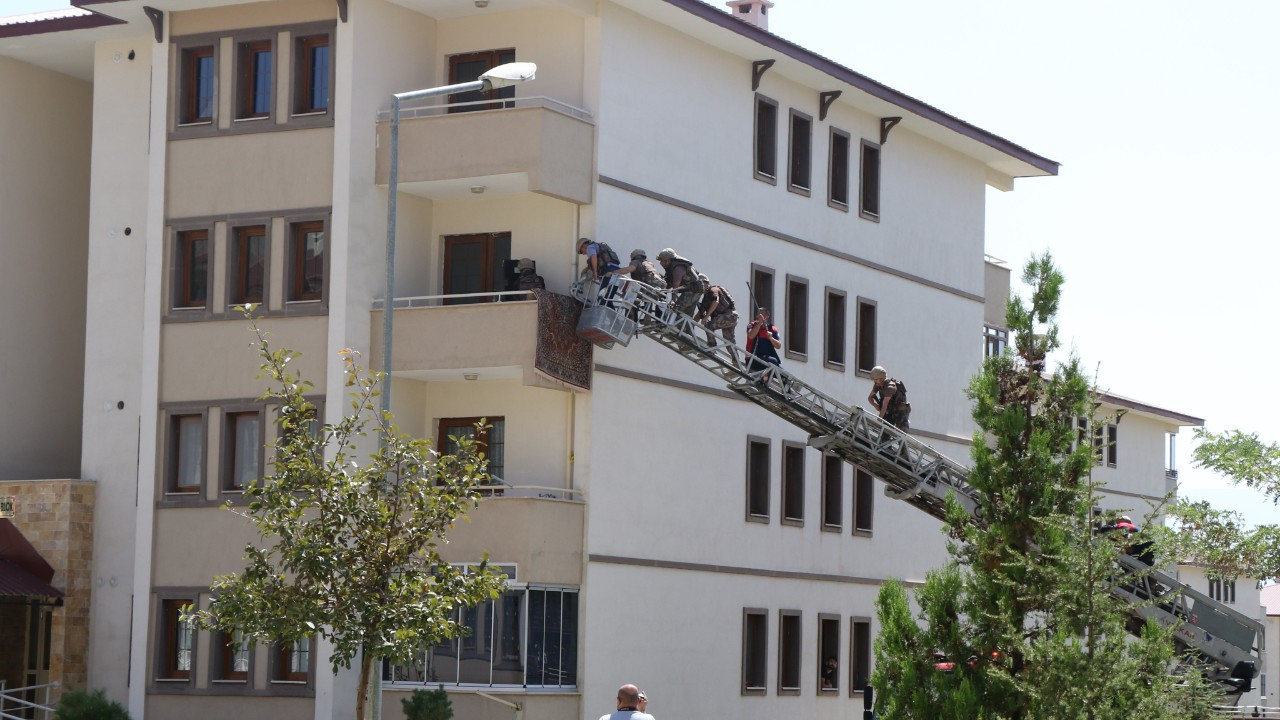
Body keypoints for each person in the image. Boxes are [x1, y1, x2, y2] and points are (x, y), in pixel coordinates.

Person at [655, 248, 705, 316]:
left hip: (693, 291)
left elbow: (676, 285)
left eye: (662, 261)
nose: (660, 263)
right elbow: (668, 284)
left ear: (668, 260)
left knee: (677, 309)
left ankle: (670, 324)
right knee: (685, 315)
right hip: (691, 290)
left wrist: (673, 300)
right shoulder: (671, 268)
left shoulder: (677, 268)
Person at [867, 365, 910, 431]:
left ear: (881, 378)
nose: (874, 382)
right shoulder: (878, 385)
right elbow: (870, 398)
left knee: (902, 432)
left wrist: (879, 420)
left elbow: (885, 405)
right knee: (885, 432)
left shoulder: (890, 387)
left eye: (876, 379)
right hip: (889, 411)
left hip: (900, 411)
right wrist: (876, 406)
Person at [744, 308, 782, 374]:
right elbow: (750, 336)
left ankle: (766, 379)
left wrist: (771, 338)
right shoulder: (752, 325)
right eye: (758, 315)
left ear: (767, 317)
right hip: (753, 359)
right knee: (773, 361)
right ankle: (765, 379)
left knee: (785, 375)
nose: (758, 317)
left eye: (761, 316)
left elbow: (778, 346)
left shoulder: (772, 328)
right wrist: (759, 323)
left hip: (767, 359)